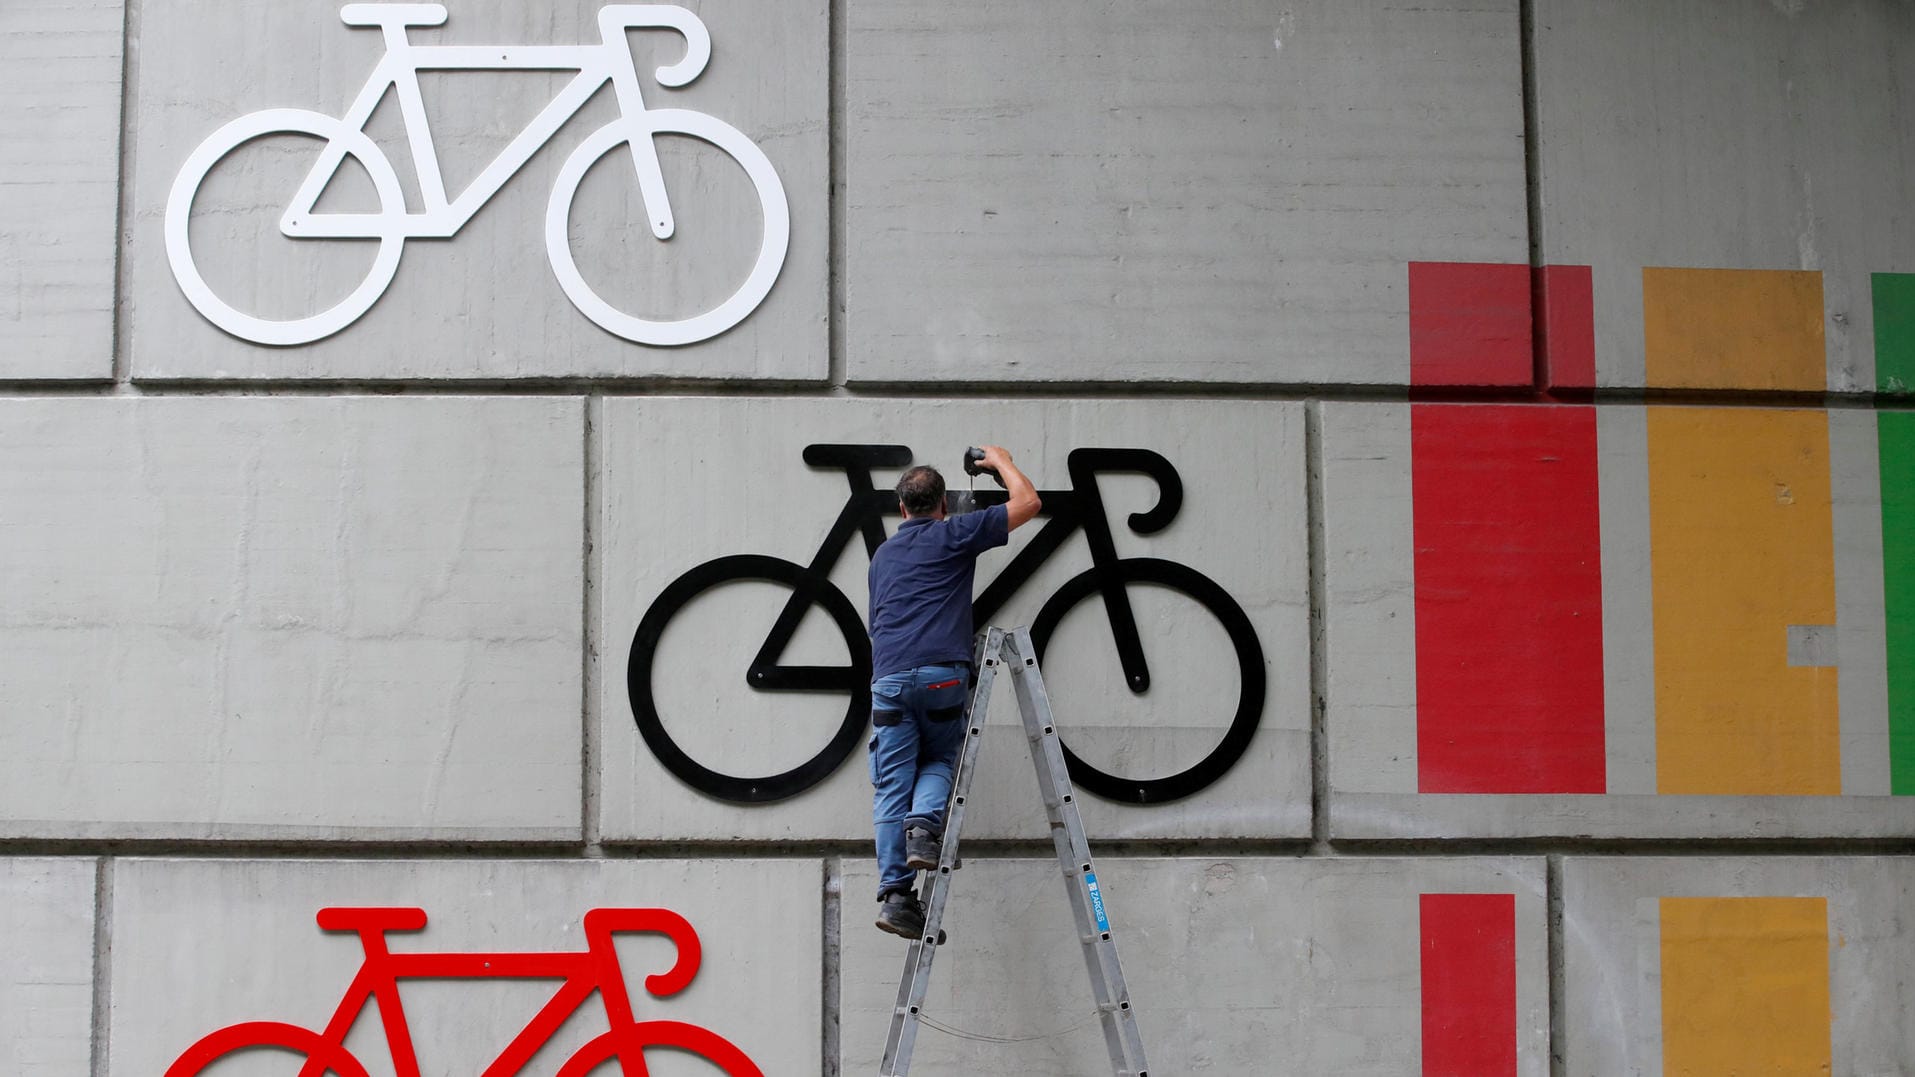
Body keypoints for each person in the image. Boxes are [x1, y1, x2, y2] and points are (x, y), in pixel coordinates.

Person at [866, 445, 1041, 938]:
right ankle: (923, 829)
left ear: (902, 509)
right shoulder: (954, 534)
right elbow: (1027, 503)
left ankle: (897, 898)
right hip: (942, 675)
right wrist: (1003, 459)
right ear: (942, 504)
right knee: (941, 759)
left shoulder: (883, 556)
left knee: (890, 787)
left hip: (891, 680)